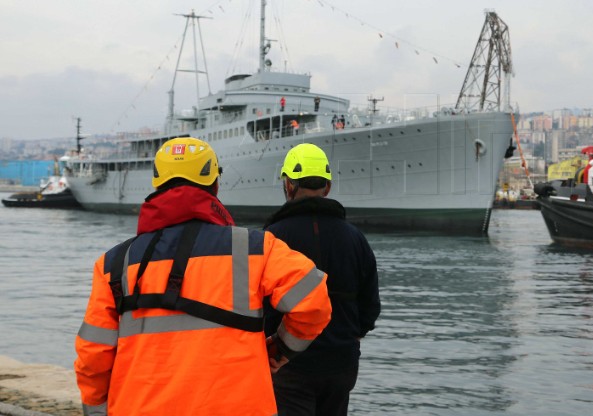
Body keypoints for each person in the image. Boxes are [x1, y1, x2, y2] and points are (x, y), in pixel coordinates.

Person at [74, 137, 332, 416]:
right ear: (216, 185)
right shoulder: (256, 249)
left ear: (157, 185)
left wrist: (97, 410)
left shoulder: (113, 265)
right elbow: (313, 301)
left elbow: (93, 355)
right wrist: (280, 351)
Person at [265, 143, 381, 416]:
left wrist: (275, 349)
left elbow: (261, 305)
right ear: (327, 187)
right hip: (342, 362)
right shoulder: (356, 238)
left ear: (289, 185)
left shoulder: (272, 238)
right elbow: (370, 307)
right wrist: (348, 336)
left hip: (289, 364)